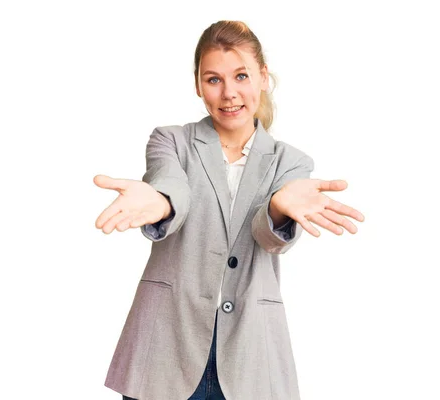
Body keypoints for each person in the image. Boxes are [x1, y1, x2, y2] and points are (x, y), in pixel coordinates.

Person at [94, 20, 364, 400]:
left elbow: (267, 237)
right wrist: (161, 202)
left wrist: (277, 209)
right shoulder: (170, 140)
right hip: (165, 346)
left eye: (241, 76)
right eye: (213, 79)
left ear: (263, 77)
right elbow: (173, 184)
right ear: (198, 84)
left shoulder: (291, 162)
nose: (229, 93)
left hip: (250, 355)